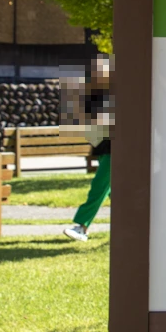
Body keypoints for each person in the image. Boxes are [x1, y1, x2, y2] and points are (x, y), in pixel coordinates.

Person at [64, 56, 112, 241]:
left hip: (114, 151)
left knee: (99, 188)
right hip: (104, 148)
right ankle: (131, 226)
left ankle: (82, 226)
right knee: (111, 190)